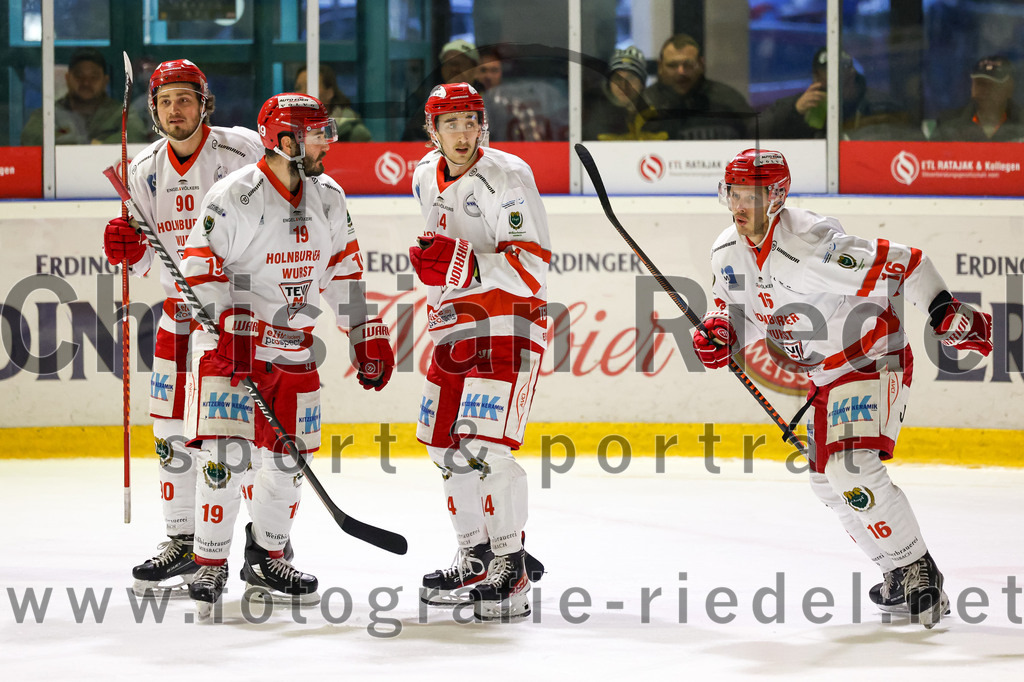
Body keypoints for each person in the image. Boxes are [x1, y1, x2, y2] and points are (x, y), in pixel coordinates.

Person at [692, 148, 993, 629]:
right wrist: (719, 332)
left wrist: (942, 310)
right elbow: (736, 310)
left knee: (849, 465)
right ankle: (896, 571)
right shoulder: (727, 249)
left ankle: (919, 570)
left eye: (747, 195)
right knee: (824, 480)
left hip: (874, 358)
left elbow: (909, 264)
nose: (737, 205)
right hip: (825, 377)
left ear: (776, 196)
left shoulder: (814, 246)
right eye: (731, 193)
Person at [178, 92, 395, 612]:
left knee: (287, 460)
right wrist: (231, 321)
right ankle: (209, 564)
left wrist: (364, 329)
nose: (327, 141)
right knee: (225, 459)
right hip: (232, 348)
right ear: (283, 139)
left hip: (295, 346)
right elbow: (198, 265)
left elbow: (344, 270)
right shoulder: (235, 196)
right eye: (316, 133)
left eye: (325, 130)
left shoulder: (330, 197)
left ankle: (268, 554)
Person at [102, 59, 268, 598]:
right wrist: (126, 254)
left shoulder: (243, 149)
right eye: (167, 101)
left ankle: (266, 543)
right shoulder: (141, 169)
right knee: (171, 436)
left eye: (186, 99)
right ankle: (181, 539)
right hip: (180, 315)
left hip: (239, 318)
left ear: (205, 102)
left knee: (235, 441)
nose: (177, 110)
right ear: (154, 109)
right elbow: (147, 261)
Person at [409, 82, 550, 622]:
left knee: (486, 448)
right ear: (433, 130)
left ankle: (509, 565)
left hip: (509, 325)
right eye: (451, 124)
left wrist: (459, 263)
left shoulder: (508, 176)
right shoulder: (424, 174)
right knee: (442, 445)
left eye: (471, 121)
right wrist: (439, 273)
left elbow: (532, 267)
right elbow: (441, 252)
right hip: (455, 329)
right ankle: (474, 553)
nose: (463, 133)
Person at [759, 48, 910, 140]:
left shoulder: (880, 104)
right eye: (819, 74)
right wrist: (794, 111)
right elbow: (756, 132)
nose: (823, 80)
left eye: (833, 72)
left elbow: (906, 141)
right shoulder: (802, 104)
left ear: (851, 73)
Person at [21, 47, 150, 145]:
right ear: (67, 78)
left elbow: (136, 135)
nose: (86, 82)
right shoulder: (49, 114)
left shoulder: (122, 113)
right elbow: (30, 138)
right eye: (79, 75)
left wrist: (98, 146)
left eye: (94, 77)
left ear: (105, 81)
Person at [641, 34, 753, 140]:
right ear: (660, 66)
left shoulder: (727, 100)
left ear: (701, 64)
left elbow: (756, 144)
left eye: (689, 65)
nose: (681, 72)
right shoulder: (645, 104)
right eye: (672, 65)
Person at [931, 56, 1024, 142]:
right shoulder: (947, 124)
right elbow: (930, 157)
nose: (986, 91)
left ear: (1009, 88)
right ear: (972, 86)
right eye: (980, 84)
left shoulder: (1020, 123)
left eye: (992, 85)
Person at [582, 46, 665, 141]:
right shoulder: (595, 120)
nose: (623, 86)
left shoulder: (659, 117)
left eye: (631, 78)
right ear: (609, 84)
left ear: (642, 83)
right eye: (617, 78)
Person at [294, 63, 373, 142]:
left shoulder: (355, 134)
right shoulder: (291, 132)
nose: (302, 94)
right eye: (298, 88)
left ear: (329, 93)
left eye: (310, 87)